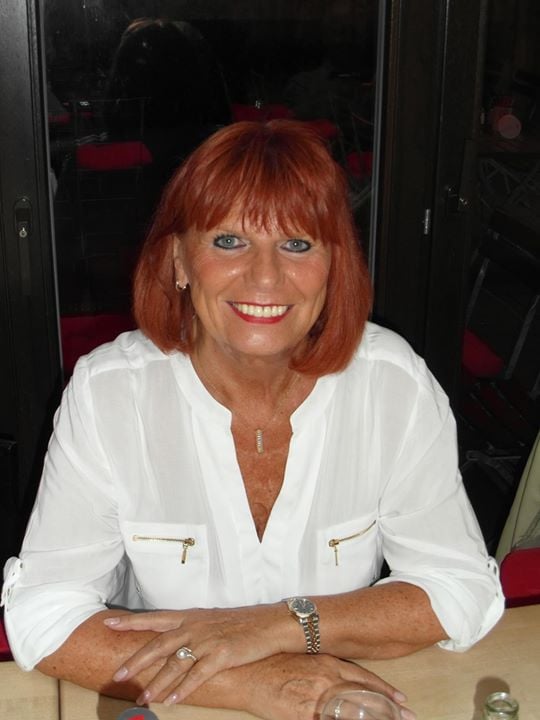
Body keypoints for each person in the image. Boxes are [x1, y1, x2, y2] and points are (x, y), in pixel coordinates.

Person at [2, 120, 504, 720]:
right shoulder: (109, 393)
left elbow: (460, 589)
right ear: (179, 260)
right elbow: (46, 615)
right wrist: (260, 685)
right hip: (178, 703)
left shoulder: (392, 384)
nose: (265, 277)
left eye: (297, 245)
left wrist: (280, 626)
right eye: (229, 241)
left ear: (334, 266)